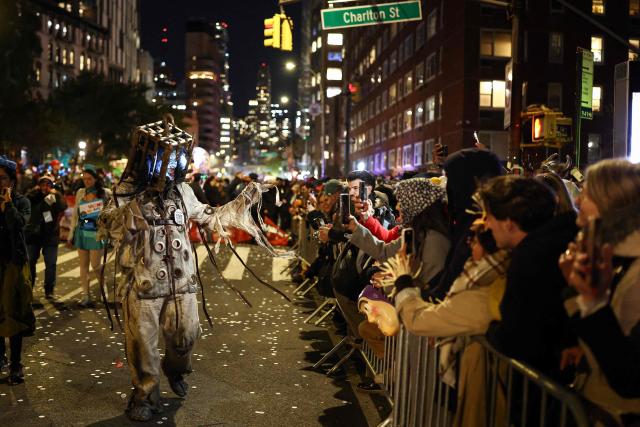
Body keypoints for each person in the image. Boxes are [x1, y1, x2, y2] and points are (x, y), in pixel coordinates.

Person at [98, 118, 280, 422]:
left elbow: (210, 216)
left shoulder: (183, 191)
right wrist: (134, 207)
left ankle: (175, 368)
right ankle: (145, 393)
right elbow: (108, 227)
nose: (170, 168)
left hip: (181, 283)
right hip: (142, 285)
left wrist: (242, 204)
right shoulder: (125, 191)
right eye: (163, 160)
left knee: (186, 336)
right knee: (142, 344)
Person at [559, 159, 640, 422]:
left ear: (611, 203)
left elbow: (629, 378)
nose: (579, 201)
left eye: (587, 193)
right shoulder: (614, 257)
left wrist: (591, 300)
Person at [479, 175, 578, 376]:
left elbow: (518, 338)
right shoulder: (561, 240)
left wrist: (491, 331)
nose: (487, 225)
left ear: (509, 223)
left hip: (543, 379)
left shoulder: (530, 259)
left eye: (490, 217)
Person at [0, 155, 35, 385]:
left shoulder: (22, 202)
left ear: (12, 180)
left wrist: (8, 205)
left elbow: (19, 225)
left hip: (14, 262)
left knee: (15, 312)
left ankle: (15, 365)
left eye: (2, 178)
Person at [67, 167, 111, 308]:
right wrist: (71, 234)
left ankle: (103, 288)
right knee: (83, 266)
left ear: (96, 179)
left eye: (89, 179)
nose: (86, 181)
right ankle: (86, 295)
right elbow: (75, 215)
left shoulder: (105, 193)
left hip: (96, 234)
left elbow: (111, 214)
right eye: (84, 179)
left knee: (96, 265)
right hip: (82, 232)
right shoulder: (80, 192)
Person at [25, 175, 67, 300]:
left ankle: (49, 290)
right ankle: (29, 287)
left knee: (51, 263)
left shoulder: (54, 196)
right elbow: (26, 200)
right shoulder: (33, 195)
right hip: (34, 235)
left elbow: (63, 207)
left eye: (48, 184)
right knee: (31, 261)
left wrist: (56, 195)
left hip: (50, 235)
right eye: (42, 184)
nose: (45, 187)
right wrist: (35, 191)